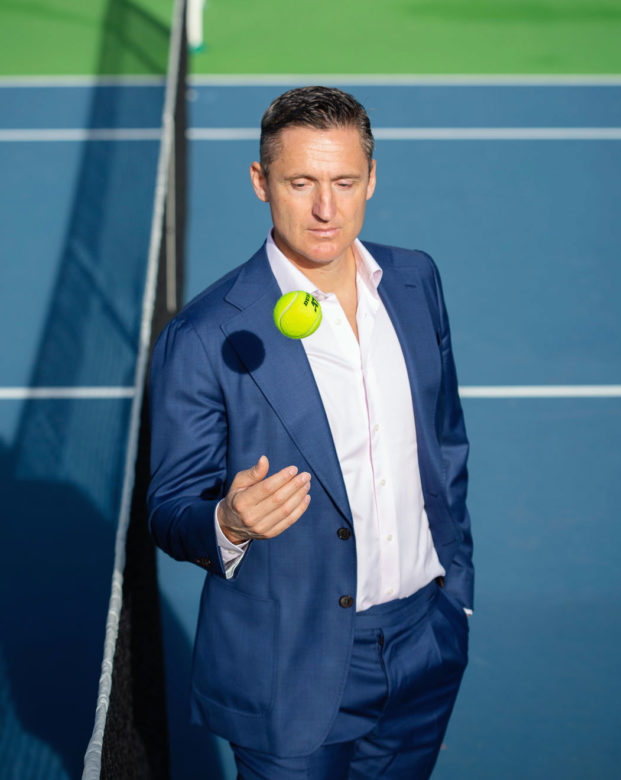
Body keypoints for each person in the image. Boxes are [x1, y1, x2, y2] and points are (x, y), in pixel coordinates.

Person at [148, 86, 473, 779]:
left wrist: (456, 600)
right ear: (262, 182)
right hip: (289, 669)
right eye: (301, 182)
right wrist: (228, 522)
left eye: (344, 181)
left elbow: (444, 443)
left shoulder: (414, 281)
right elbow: (169, 507)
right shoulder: (205, 334)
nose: (326, 208)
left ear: (372, 180)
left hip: (424, 645)